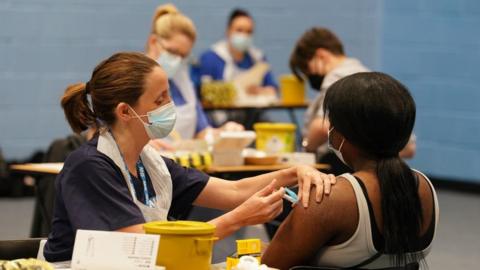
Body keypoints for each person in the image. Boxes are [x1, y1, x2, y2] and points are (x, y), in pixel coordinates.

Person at [43, 52, 336, 262]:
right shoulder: (89, 167)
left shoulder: (151, 164)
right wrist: (238, 219)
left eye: (169, 95)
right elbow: (140, 247)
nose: (171, 106)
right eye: (160, 100)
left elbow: (233, 190)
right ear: (124, 112)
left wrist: (294, 172)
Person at [262, 72, 439, 269]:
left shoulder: (327, 199)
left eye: (332, 124)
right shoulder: (425, 188)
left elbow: (269, 266)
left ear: (342, 136)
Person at [144, 4, 242, 148]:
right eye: (173, 52)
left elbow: (202, 131)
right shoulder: (132, 79)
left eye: (183, 56)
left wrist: (223, 133)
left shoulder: (184, 83)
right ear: (153, 42)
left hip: (181, 164)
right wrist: (142, 145)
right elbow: (111, 132)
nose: (177, 60)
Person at [290, 27, 369, 174]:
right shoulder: (368, 74)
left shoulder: (336, 77)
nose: (309, 76)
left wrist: (307, 147)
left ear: (321, 56)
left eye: (307, 69)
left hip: (338, 166)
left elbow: (323, 125)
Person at [198, 8, 278, 127]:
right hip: (220, 122)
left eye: (248, 32)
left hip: (252, 118)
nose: (244, 35)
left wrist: (259, 91)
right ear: (228, 31)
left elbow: (273, 90)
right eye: (239, 30)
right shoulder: (210, 58)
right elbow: (201, 93)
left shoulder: (257, 58)